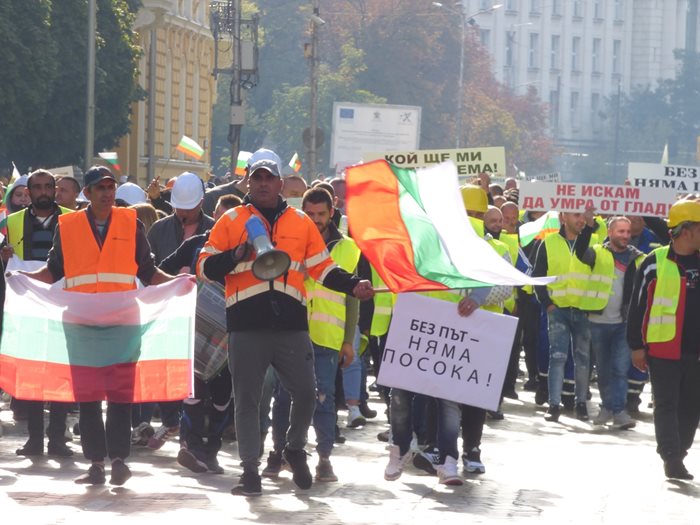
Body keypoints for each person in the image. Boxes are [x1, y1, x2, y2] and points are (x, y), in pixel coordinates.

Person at [197, 148, 374, 497]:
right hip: (246, 326)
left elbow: (323, 268)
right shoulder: (232, 219)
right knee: (246, 400)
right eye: (257, 178)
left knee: (308, 393)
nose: (263, 184)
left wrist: (354, 284)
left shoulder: (300, 222)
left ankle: (294, 447)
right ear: (249, 180)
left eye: (269, 178)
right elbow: (204, 266)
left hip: (291, 324)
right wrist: (235, 256)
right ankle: (250, 471)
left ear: (280, 182)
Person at [22, 166, 178, 486]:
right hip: (81, 325)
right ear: (88, 194)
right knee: (89, 398)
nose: (108, 192)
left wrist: (178, 283)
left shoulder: (130, 223)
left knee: (120, 396)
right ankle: (95, 463)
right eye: (101, 187)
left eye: (111, 186)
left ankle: (119, 460)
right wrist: (23, 279)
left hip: (122, 324)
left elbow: (147, 270)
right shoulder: (68, 225)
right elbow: (54, 269)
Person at [160, 194, 241, 474]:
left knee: (221, 396)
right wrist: (179, 284)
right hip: (195, 332)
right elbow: (163, 269)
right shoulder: (197, 243)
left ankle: (211, 452)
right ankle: (190, 447)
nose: (225, 222)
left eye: (233, 217)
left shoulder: (251, 249)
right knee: (193, 392)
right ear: (214, 216)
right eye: (221, 216)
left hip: (232, 336)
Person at [3, 169, 74, 457]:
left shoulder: (73, 218)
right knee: (32, 373)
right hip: (28, 306)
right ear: (28, 192)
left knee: (60, 373)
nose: (43, 191)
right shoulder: (11, 222)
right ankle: (34, 438)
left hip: (64, 305)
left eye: (48, 186)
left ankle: (57, 438)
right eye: (38, 187)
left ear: (55, 190)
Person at [628, 199, 700, 480]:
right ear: (686, 230)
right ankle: (671, 457)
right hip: (664, 349)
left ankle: (679, 451)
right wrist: (636, 346)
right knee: (667, 404)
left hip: (696, 352)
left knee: (692, 406)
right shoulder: (653, 262)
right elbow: (637, 307)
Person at [146, 172, 214, 449]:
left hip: (202, 313)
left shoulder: (215, 229)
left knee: (196, 376)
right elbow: (147, 266)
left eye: (189, 208)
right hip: (166, 309)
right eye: (178, 208)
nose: (183, 214)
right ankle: (171, 419)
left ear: (201, 203)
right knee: (164, 367)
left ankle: (190, 437)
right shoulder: (159, 230)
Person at [574, 215, 644, 430]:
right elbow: (579, 251)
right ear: (610, 233)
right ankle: (607, 408)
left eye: (627, 231)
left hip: (623, 323)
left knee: (620, 368)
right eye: (620, 231)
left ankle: (619, 411)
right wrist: (587, 226)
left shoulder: (638, 258)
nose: (625, 235)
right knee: (603, 369)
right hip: (598, 321)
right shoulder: (597, 252)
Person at [533, 211, 594, 423]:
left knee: (583, 360)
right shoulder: (549, 242)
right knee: (557, 358)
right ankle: (553, 405)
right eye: (576, 215)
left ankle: (580, 403)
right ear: (563, 217)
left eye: (582, 216)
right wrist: (547, 304)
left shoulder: (591, 242)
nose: (581, 219)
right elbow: (538, 275)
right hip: (557, 309)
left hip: (583, 309)